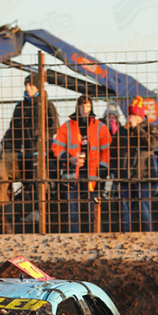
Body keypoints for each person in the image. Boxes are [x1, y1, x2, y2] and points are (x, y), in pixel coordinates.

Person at [52, 95, 112, 233]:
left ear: (91, 108)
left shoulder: (100, 127)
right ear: (77, 108)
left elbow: (107, 152)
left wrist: (102, 171)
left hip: (93, 175)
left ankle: (98, 239)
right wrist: (69, 159)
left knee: (95, 213)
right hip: (72, 175)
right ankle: (74, 241)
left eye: (88, 106)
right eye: (82, 106)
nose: (85, 110)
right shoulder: (67, 127)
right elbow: (56, 148)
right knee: (73, 214)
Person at [2, 71, 60, 198]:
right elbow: (13, 128)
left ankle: (40, 212)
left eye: (31, 85)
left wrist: (42, 138)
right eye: (26, 85)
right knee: (26, 183)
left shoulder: (47, 105)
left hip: (40, 152)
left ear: (38, 87)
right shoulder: (20, 106)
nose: (28, 88)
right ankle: (28, 211)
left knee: (38, 183)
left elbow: (54, 126)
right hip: (23, 152)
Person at [114, 99, 158, 233]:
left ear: (140, 116)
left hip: (143, 176)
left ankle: (149, 234)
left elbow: (151, 144)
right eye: (130, 115)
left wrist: (136, 129)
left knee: (145, 209)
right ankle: (126, 235)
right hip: (125, 176)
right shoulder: (122, 131)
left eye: (134, 115)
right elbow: (114, 150)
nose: (131, 118)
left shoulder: (151, 128)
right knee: (125, 211)